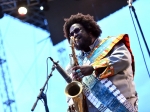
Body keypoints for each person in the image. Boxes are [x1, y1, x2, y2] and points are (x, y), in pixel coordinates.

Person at [63, 13, 138, 112]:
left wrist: (93, 67)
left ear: (89, 30)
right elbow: (72, 98)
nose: (74, 35)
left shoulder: (111, 44)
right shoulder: (72, 65)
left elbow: (123, 59)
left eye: (76, 30)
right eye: (70, 35)